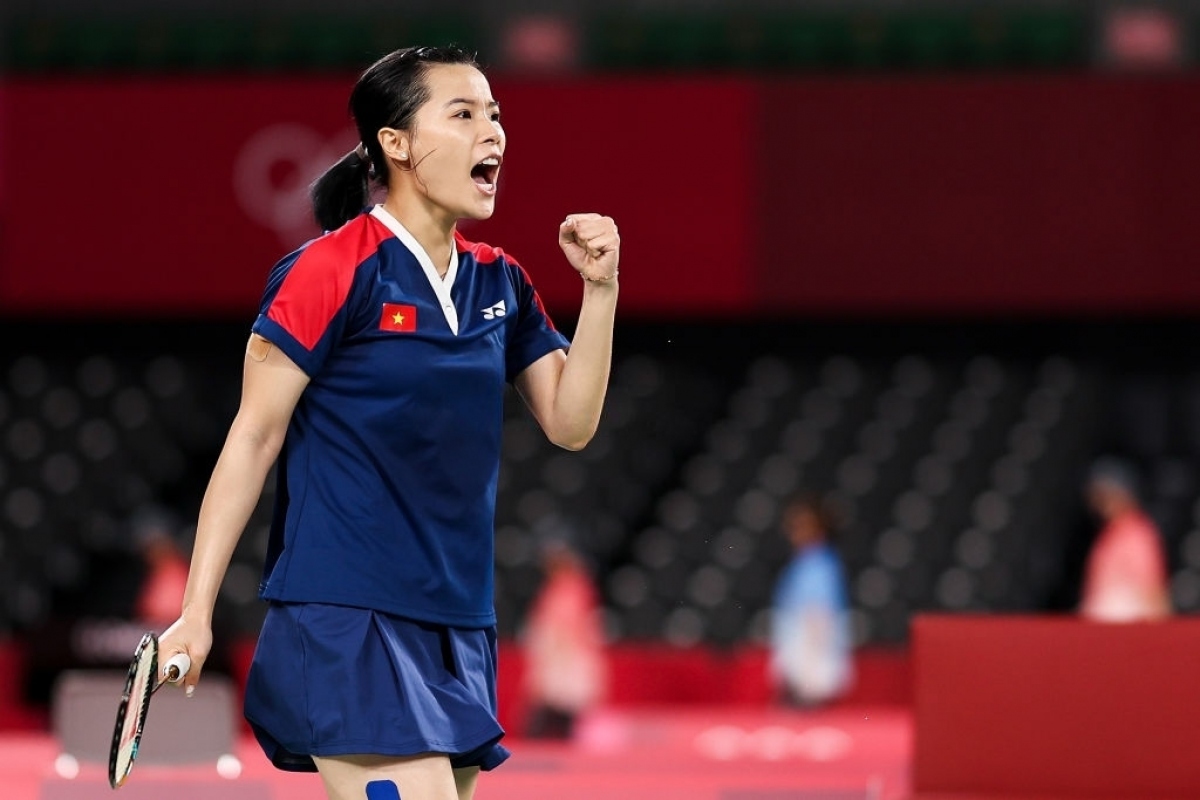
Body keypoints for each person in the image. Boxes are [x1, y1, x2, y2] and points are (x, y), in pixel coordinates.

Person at [158, 44, 620, 800]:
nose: (493, 133)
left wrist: (600, 292)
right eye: (464, 114)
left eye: (496, 115)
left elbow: (571, 424)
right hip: (347, 610)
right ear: (395, 144)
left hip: (457, 616)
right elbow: (254, 437)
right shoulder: (330, 269)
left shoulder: (499, 281)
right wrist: (195, 613)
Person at [768, 492, 853, 708]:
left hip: (811, 654)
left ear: (819, 528)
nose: (795, 531)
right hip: (796, 647)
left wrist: (811, 670)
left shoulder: (821, 566)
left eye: (803, 525)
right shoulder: (801, 563)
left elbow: (820, 618)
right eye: (793, 525)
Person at [520, 536, 607, 740]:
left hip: (568, 652)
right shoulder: (554, 589)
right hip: (556, 649)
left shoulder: (576, 589)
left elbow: (577, 624)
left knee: (563, 701)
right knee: (547, 702)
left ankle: (560, 735)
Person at [1079, 457, 1171, 622]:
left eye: (1108, 495)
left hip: (1127, 630)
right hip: (1101, 628)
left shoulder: (1138, 533)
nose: (1102, 504)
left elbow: (1151, 590)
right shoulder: (1109, 534)